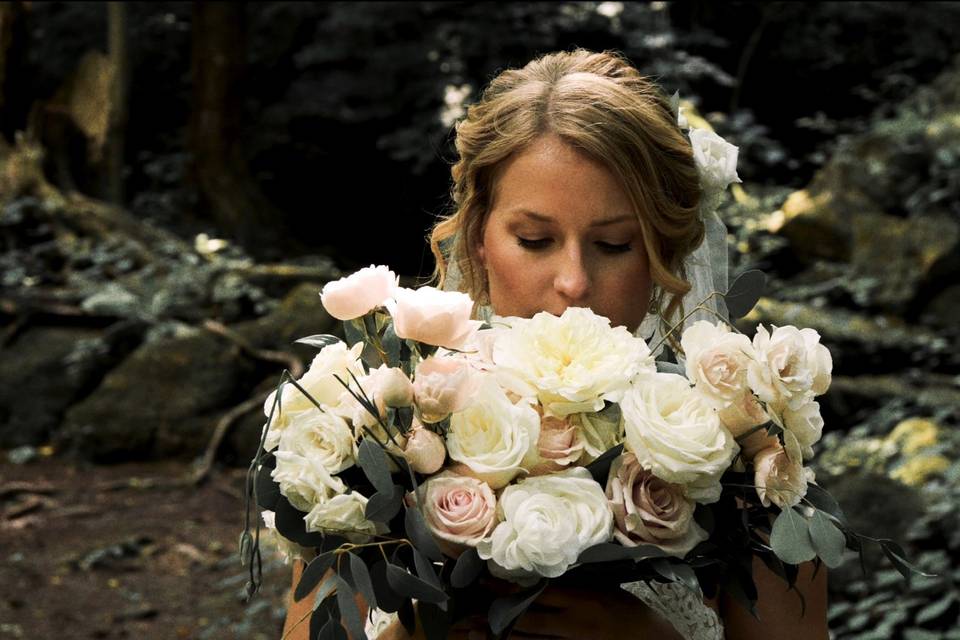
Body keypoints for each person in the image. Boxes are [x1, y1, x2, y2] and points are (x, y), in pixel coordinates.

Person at [282, 48, 827, 640]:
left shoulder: (748, 457)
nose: (574, 282)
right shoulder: (377, 431)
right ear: (481, 239)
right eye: (536, 239)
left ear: (666, 254)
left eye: (615, 244)